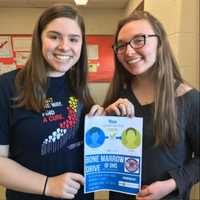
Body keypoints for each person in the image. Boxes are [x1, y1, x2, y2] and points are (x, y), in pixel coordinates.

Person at [0, 4, 104, 200]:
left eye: (73, 39)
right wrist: (48, 184)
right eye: (54, 36)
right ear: (39, 39)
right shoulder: (7, 86)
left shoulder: (78, 85)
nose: (64, 46)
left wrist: (100, 123)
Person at [104, 10, 199, 200]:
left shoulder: (189, 99)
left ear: (160, 43)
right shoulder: (117, 97)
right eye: (121, 45)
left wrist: (172, 183)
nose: (128, 51)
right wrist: (101, 121)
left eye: (139, 40)